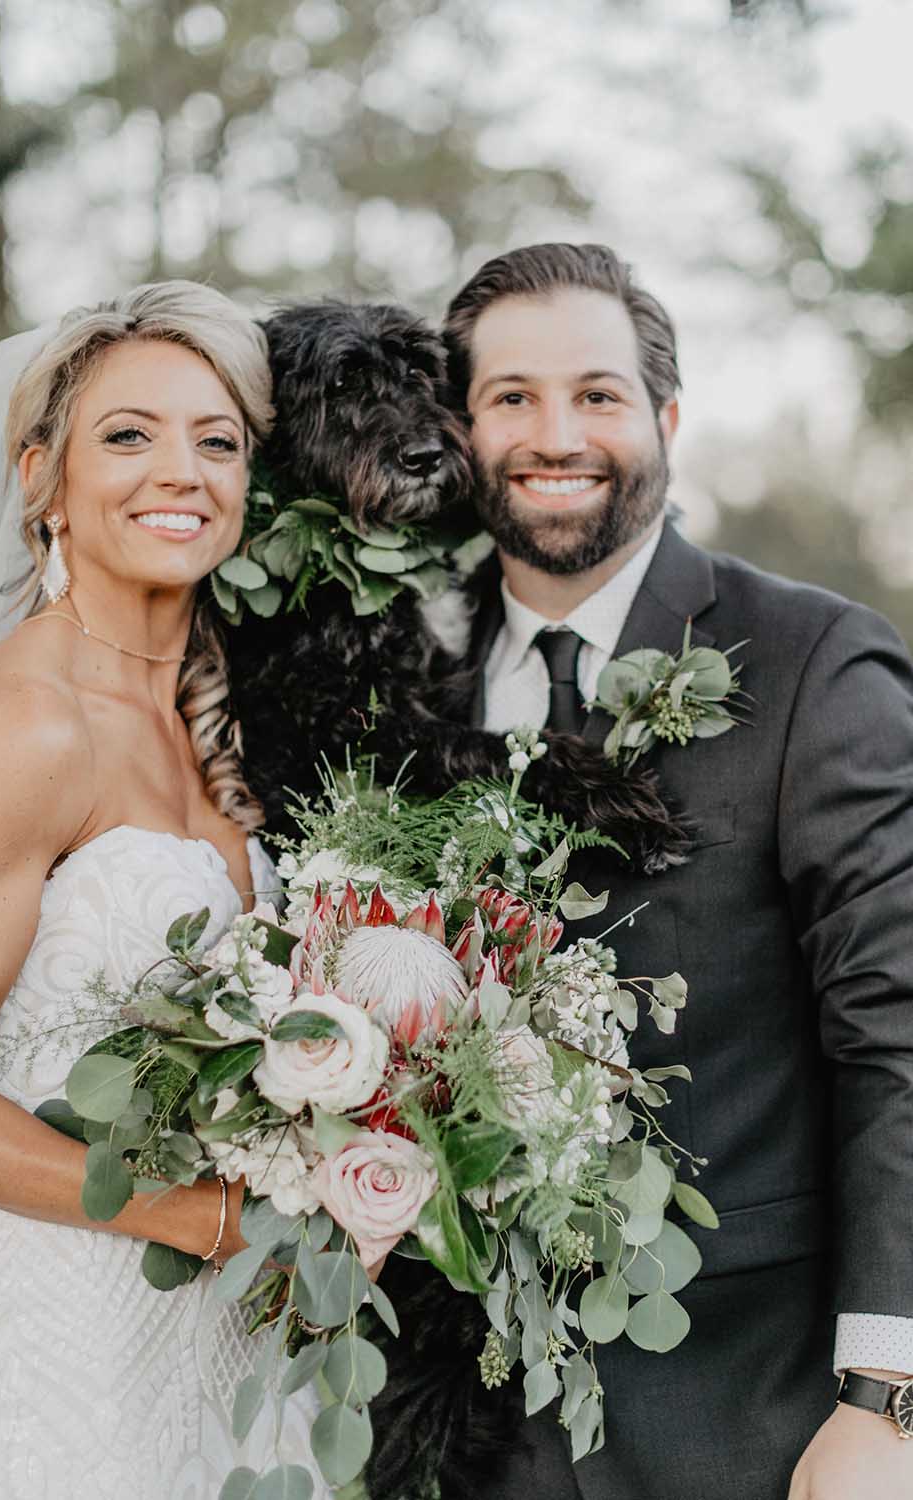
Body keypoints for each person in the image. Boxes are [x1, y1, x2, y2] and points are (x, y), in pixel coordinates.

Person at [434, 242, 913, 1499]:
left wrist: (885, 1400)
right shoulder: (403, 682)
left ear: (666, 419)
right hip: (455, 1426)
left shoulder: (815, 664)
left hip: (751, 1414)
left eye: (596, 394)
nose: (556, 434)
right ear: (461, 428)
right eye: (511, 398)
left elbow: (896, 1035)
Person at [0, 282, 328, 1498]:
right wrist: (197, 1217)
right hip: (70, 1363)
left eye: (217, 440)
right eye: (129, 435)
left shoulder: (220, 716)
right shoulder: (22, 728)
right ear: (42, 472)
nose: (182, 472)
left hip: (251, 1353)